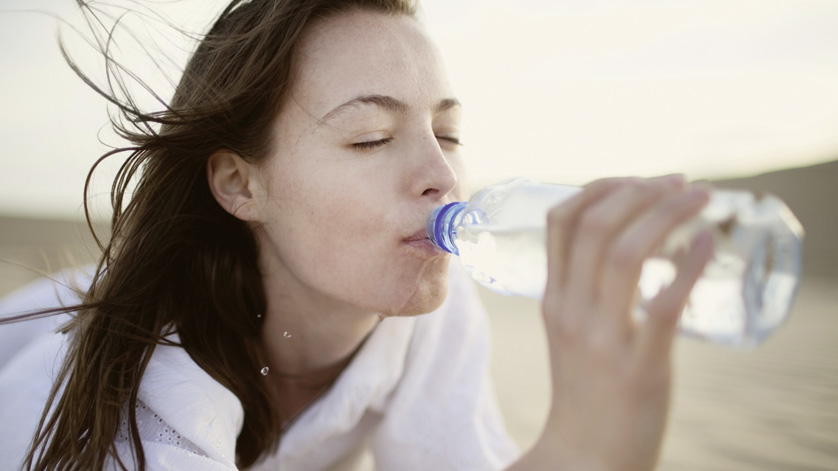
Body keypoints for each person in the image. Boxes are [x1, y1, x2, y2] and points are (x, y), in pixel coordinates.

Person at [0, 0, 714, 469]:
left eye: (448, 132)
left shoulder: (421, 299)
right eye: (371, 138)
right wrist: (584, 449)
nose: (441, 174)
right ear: (241, 184)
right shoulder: (140, 392)